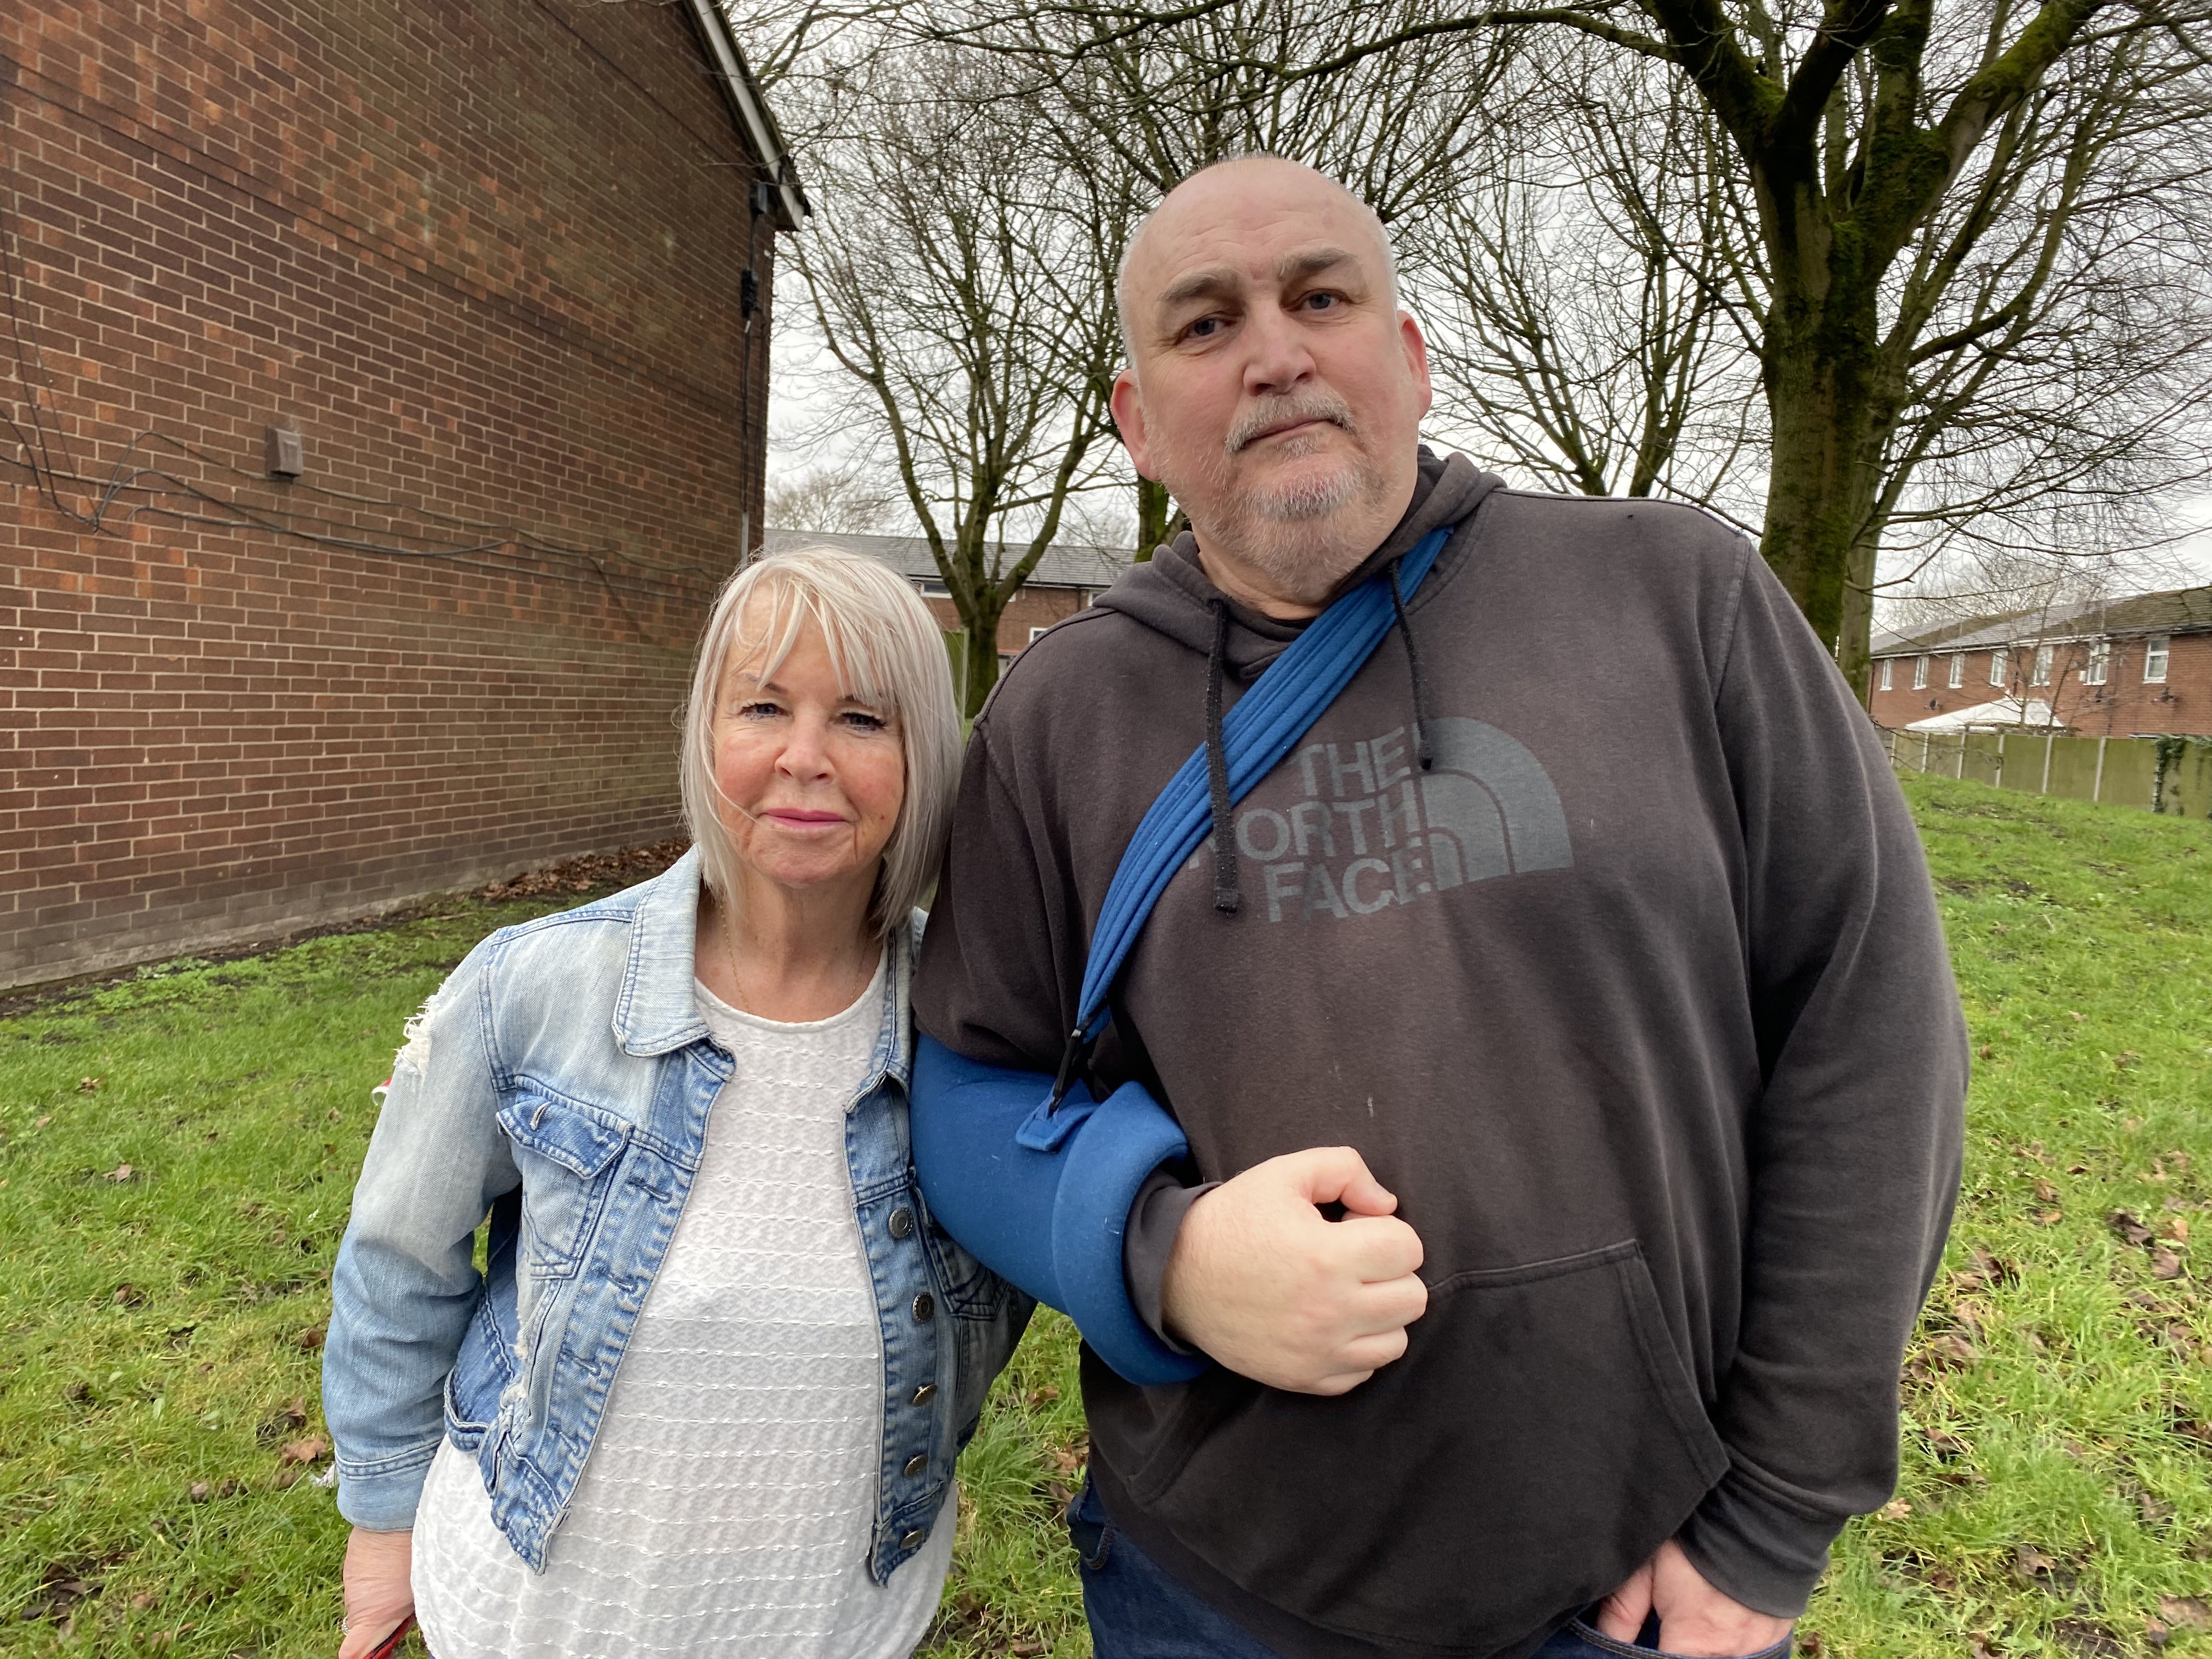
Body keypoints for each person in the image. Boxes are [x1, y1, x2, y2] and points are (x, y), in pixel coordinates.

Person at [910, 155, 1967, 1659]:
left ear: (1405, 356)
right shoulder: (1060, 712)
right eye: (1205, 326)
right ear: (1141, 424)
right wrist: (1166, 1256)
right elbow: (967, 1086)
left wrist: (1776, 1517)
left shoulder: (1679, 599)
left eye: (1320, 297)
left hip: (1639, 1590)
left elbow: (1873, 1035)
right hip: (1214, 1593)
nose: (1275, 351)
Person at [323, 545, 1030, 1659]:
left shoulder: (976, 1023)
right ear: (708, 734)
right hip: (535, 1616)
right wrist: (380, 1519)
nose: (806, 759)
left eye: (861, 719)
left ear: (923, 756)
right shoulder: (535, 988)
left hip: (835, 1629)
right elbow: (398, 1258)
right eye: (762, 706)